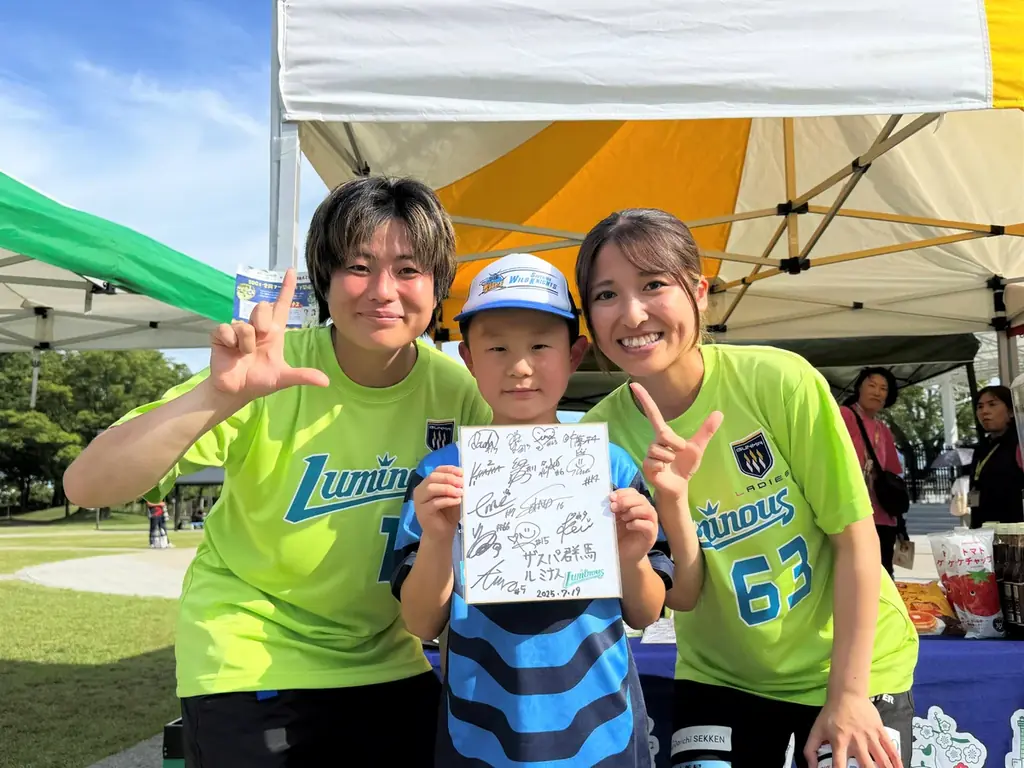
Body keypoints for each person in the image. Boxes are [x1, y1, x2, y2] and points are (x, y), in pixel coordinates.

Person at [63, 176, 491, 767]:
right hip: (251, 654)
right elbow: (86, 485)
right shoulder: (267, 368)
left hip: (388, 658)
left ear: (437, 285)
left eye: (408, 269)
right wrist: (217, 396)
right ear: (325, 278)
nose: (382, 291)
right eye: (359, 266)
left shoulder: (457, 392)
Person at [575, 208, 919, 768]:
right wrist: (670, 505)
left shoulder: (780, 381)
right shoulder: (597, 438)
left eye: (654, 284)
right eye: (607, 294)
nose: (632, 313)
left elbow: (856, 541)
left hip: (854, 669)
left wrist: (849, 695)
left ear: (699, 292)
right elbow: (679, 596)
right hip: (718, 678)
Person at [390, 253, 691, 766]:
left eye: (540, 346)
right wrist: (438, 538)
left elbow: (646, 612)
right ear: (468, 358)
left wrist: (633, 556)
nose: (520, 366)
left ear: (574, 355)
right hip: (478, 735)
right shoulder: (440, 475)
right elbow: (421, 622)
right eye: (498, 348)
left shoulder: (613, 467)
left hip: (605, 732)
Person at [840, 367, 905, 577]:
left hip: (882, 516)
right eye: (872, 385)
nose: (877, 392)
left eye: (883, 388)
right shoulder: (844, 415)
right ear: (859, 388)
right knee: (854, 575)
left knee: (883, 575)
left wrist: (901, 522)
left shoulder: (882, 429)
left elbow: (893, 473)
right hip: (851, 513)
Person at [968, 385, 1024, 528]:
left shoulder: (1019, 444)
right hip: (982, 531)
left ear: (1011, 411)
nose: (984, 411)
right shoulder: (981, 448)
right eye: (980, 407)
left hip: (1013, 531)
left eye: (992, 404)